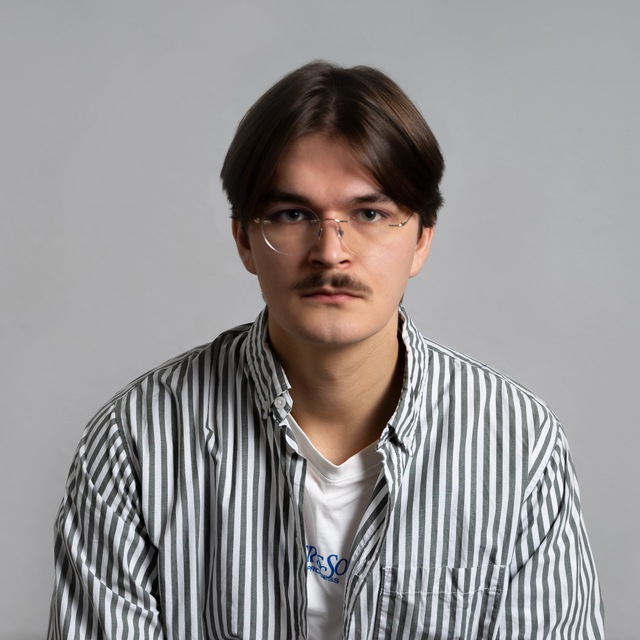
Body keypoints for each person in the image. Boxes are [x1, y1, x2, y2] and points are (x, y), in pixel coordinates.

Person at [48, 61, 604, 639]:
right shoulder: (137, 442)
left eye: (370, 214)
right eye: (293, 214)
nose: (331, 252)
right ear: (243, 239)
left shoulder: (517, 446)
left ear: (422, 238)